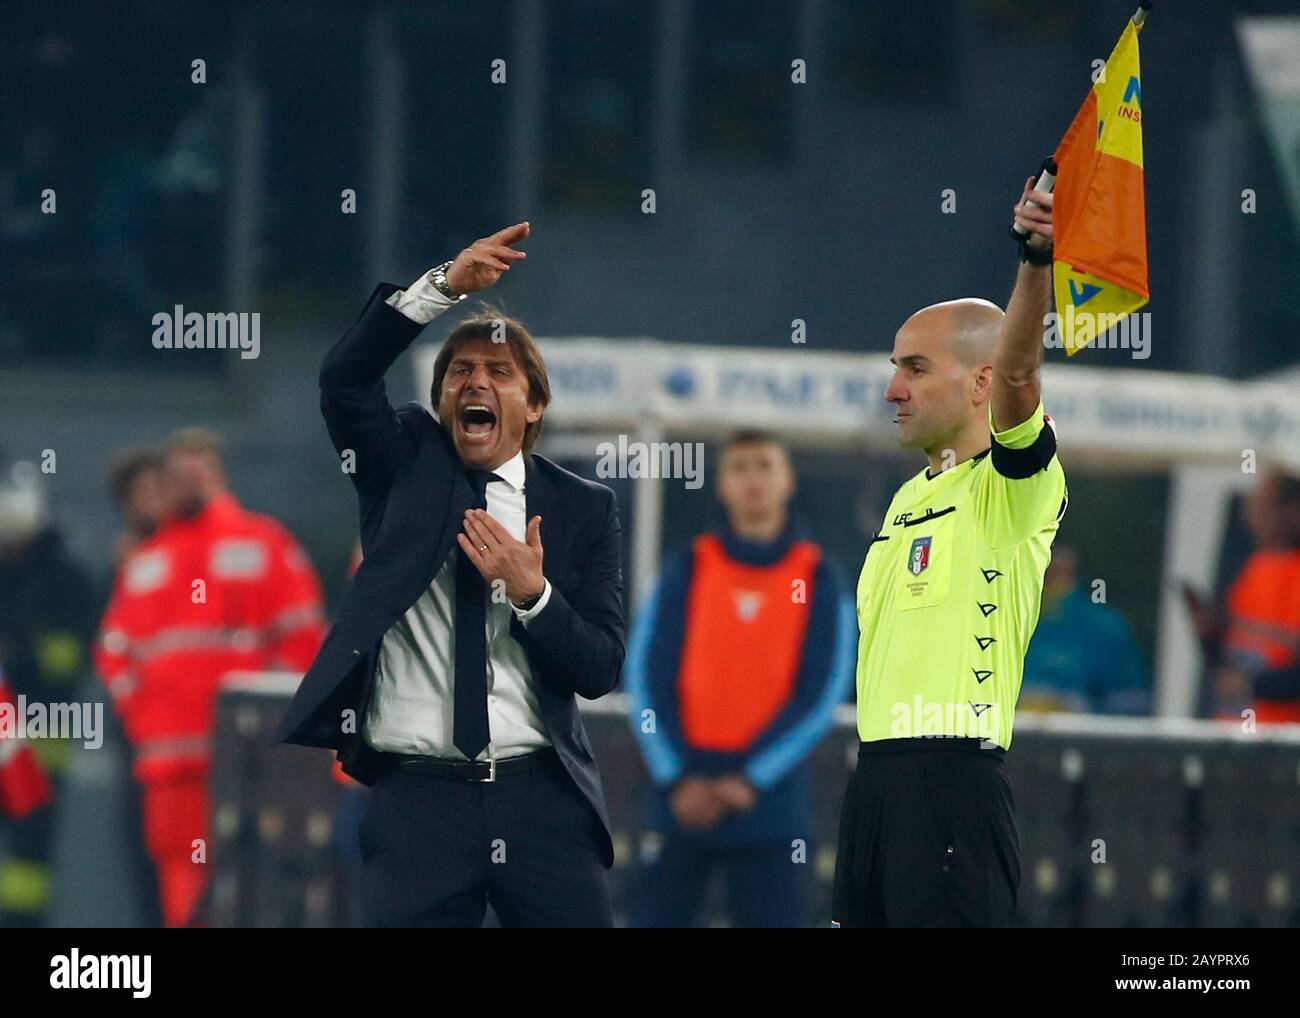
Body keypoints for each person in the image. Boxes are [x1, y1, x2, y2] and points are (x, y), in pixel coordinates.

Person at [274, 222, 626, 928]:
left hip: (542, 800)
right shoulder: (400, 460)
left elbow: (600, 667)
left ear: (534, 408)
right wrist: (439, 289)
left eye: (499, 373)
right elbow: (344, 377)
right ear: (439, 404)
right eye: (460, 372)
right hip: (417, 803)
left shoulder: (584, 508)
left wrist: (535, 595)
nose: (476, 381)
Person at [832, 177, 1067, 928]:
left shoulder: (1012, 488)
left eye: (915, 367)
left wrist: (1036, 260)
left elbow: (1025, 373)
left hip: (953, 791)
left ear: (982, 384)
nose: (893, 388)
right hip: (873, 785)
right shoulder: (907, 500)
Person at [95, 428, 326, 926]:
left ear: (217, 471)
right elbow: (114, 655)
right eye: (177, 470)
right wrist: (146, 720)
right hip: (172, 769)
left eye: (197, 465)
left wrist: (271, 723)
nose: (186, 479)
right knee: (182, 890)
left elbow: (303, 638)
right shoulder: (146, 560)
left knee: (261, 885)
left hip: (251, 761)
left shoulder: (263, 545)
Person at [625, 431, 854, 927]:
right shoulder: (684, 569)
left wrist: (753, 778)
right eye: (740, 468)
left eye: (765, 466)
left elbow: (822, 695)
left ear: (788, 480)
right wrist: (677, 777)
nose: (753, 479)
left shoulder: (818, 578)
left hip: (771, 803)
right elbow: (644, 681)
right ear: (721, 484)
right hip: (681, 796)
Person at [1183, 469, 1300, 723]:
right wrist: (1208, 635)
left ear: (1292, 511)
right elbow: (1232, 657)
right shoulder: (1255, 568)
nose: (1250, 517)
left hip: (1284, 739)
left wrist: (1253, 685)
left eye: (1262, 507)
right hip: (1235, 733)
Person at [1019, 545, 1148, 714]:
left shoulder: (1104, 628)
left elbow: (1130, 702)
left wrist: (1081, 711)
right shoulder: (1000, 619)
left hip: (1082, 737)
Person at [105, 446, 170, 563]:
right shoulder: (126, 560)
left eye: (160, 487)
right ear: (126, 503)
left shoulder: (199, 546)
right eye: (144, 491)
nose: (154, 498)